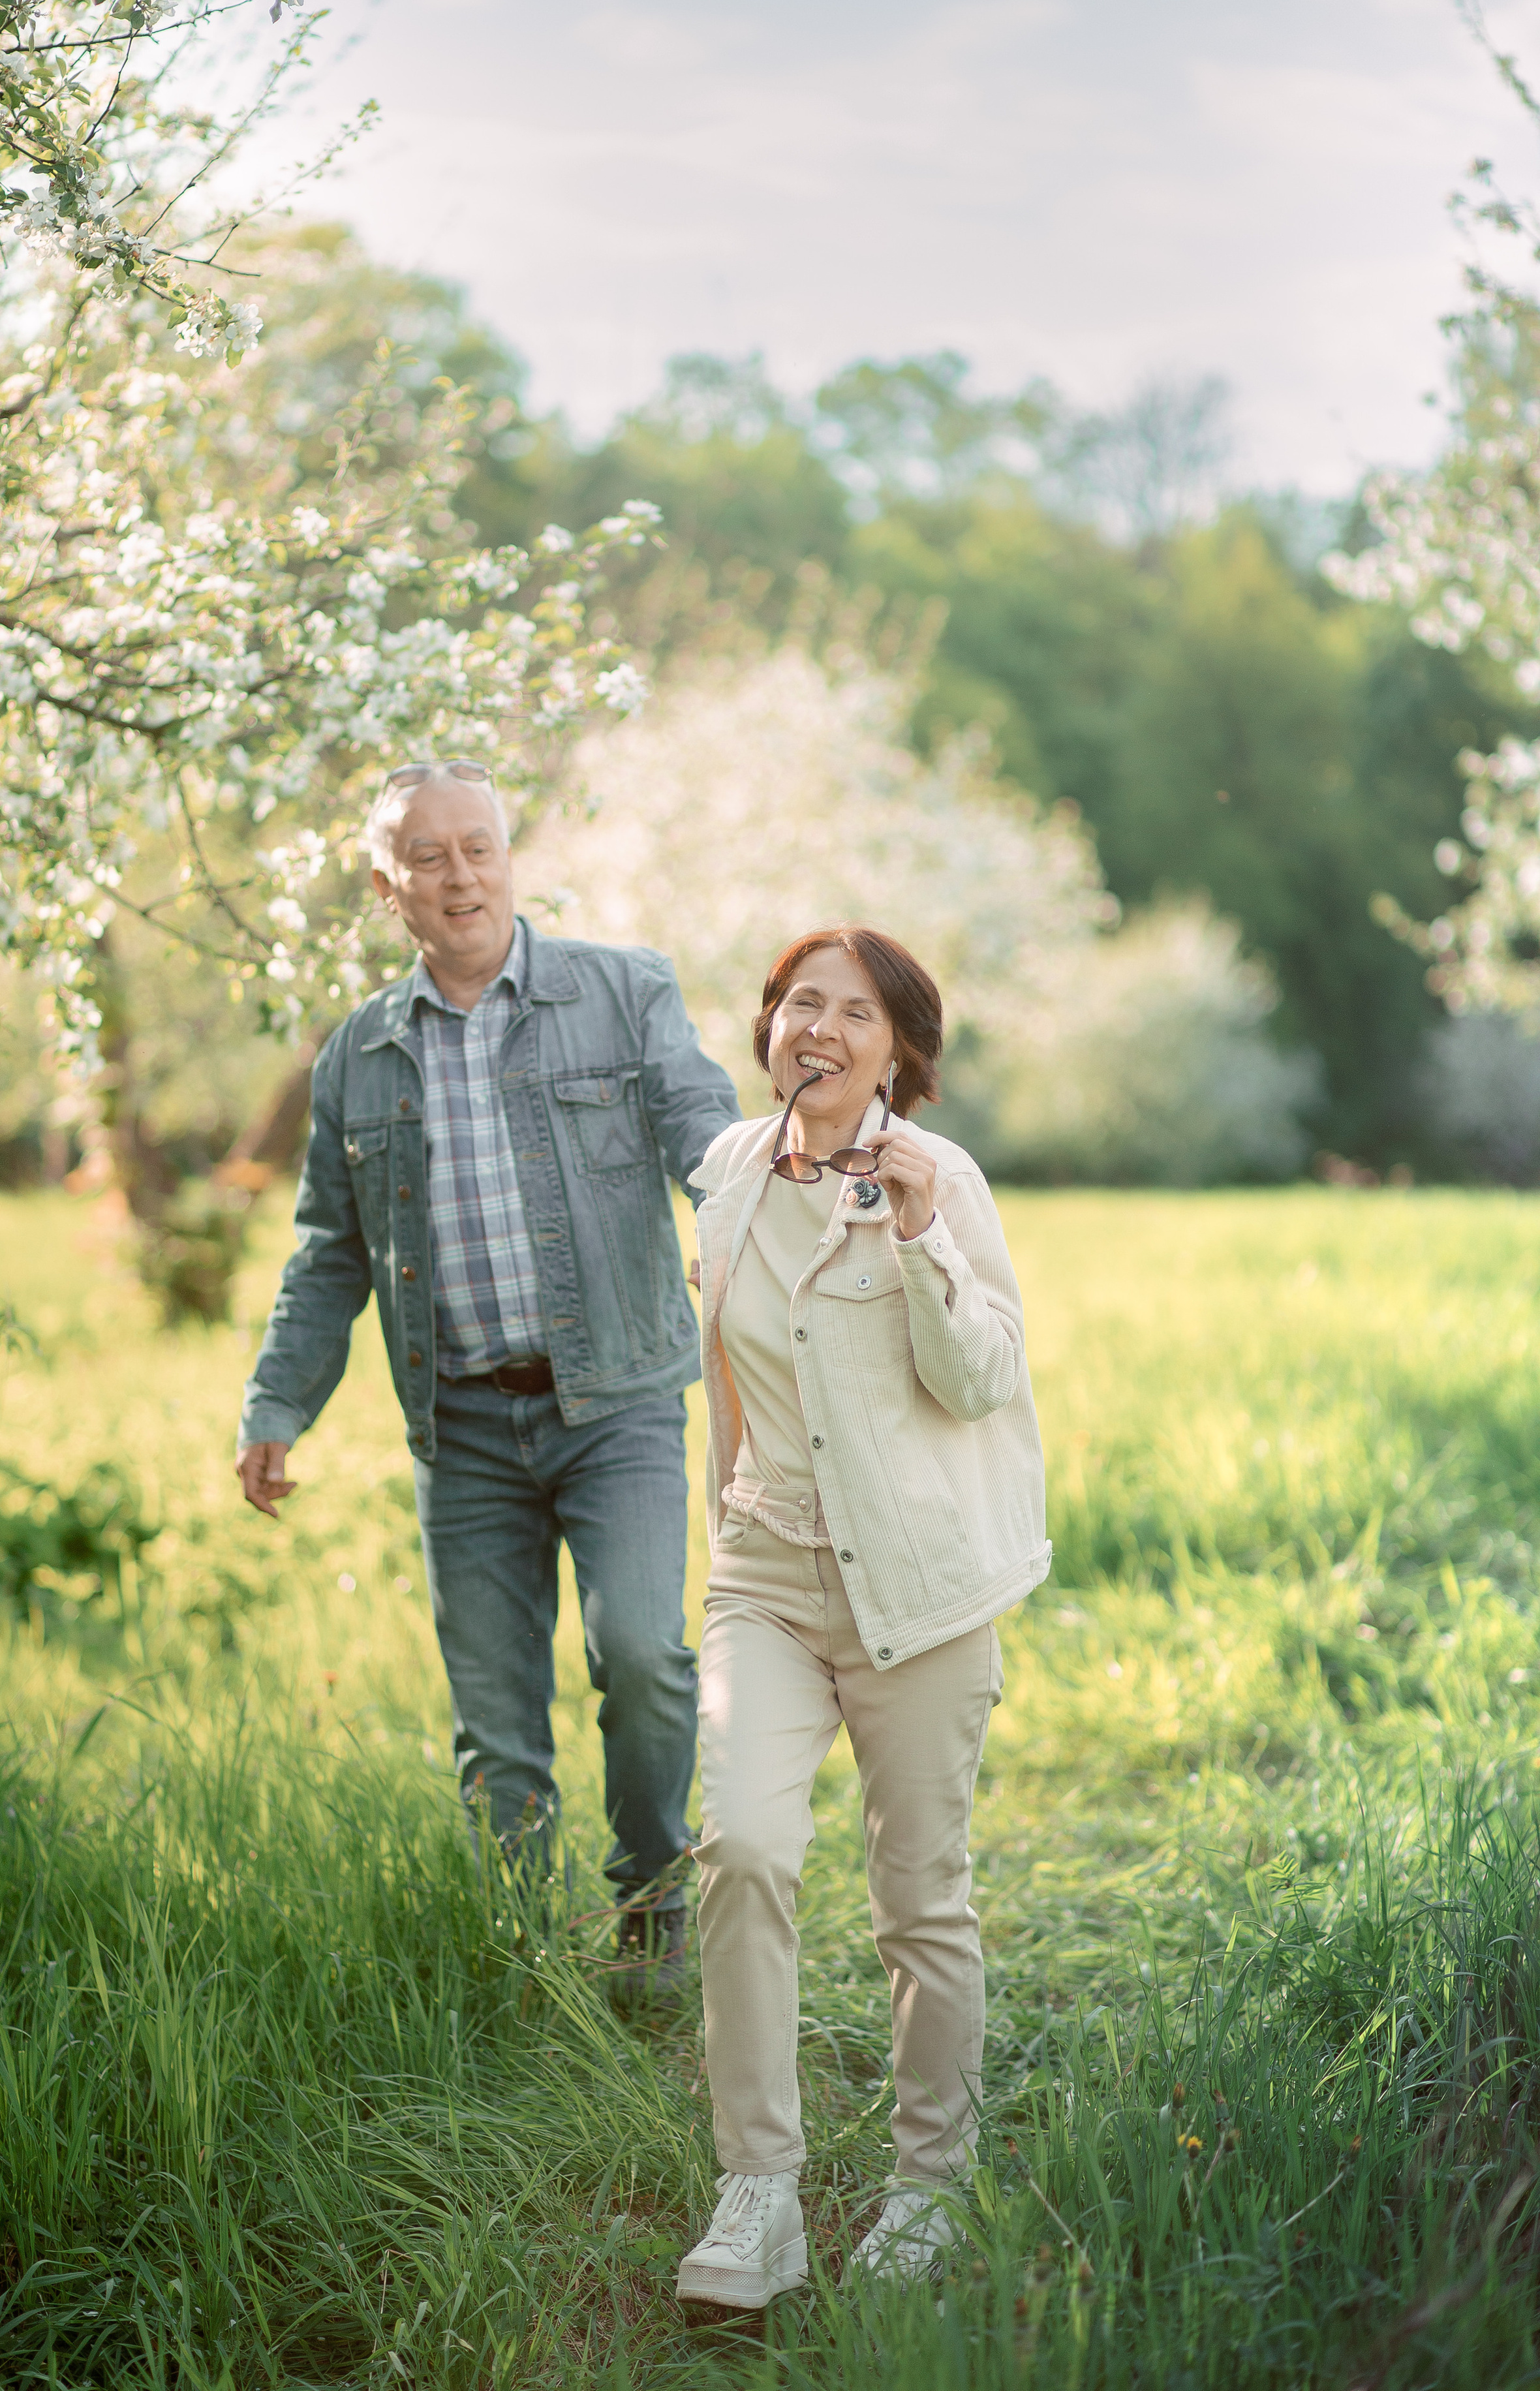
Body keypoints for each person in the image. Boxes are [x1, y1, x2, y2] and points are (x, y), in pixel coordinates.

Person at [235, 759, 740, 1992]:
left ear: (510, 859)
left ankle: (654, 1905)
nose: (459, 876)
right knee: (497, 1721)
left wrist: (753, 1208)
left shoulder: (622, 992)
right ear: (386, 886)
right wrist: (277, 1403)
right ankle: (522, 1957)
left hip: (617, 1400)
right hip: (461, 1428)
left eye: (479, 848)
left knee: (644, 1655)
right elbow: (330, 1252)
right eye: (428, 856)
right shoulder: (358, 1057)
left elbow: (705, 1130)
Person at [674, 926, 1050, 2309]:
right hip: (764, 1579)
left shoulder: (940, 1178)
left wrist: (920, 1232)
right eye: (798, 1004)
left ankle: (929, 2185)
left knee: (918, 1901)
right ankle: (758, 2192)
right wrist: (725, 1533)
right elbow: (729, 1378)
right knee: (739, 1848)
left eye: (853, 1013)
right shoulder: (726, 1173)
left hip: (918, 1591)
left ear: (897, 1052)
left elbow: (984, 1378)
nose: (817, 1029)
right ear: (769, 1026)